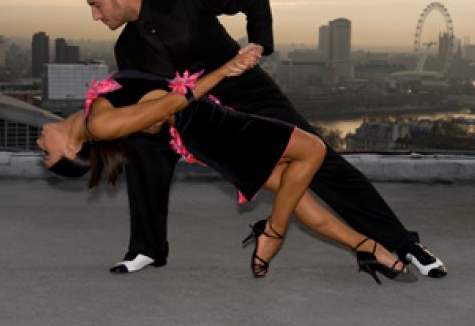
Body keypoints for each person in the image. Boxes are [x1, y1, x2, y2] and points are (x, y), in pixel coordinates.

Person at [78, 0, 447, 277]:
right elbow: (144, 97)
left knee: (323, 163)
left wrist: (258, 42)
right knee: (144, 150)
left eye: (96, 4)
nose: (95, 15)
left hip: (247, 95)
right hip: (193, 119)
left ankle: (402, 243)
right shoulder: (126, 46)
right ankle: (146, 248)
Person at [38, 56, 414, 282]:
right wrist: (225, 70)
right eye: (48, 156)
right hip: (216, 131)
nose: (41, 146)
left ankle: (370, 249)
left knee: (295, 194)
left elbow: (153, 113)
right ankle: (273, 234)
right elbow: (171, 104)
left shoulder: (96, 113)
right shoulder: (102, 125)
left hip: (213, 130)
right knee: (313, 149)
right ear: (72, 150)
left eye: (43, 153)